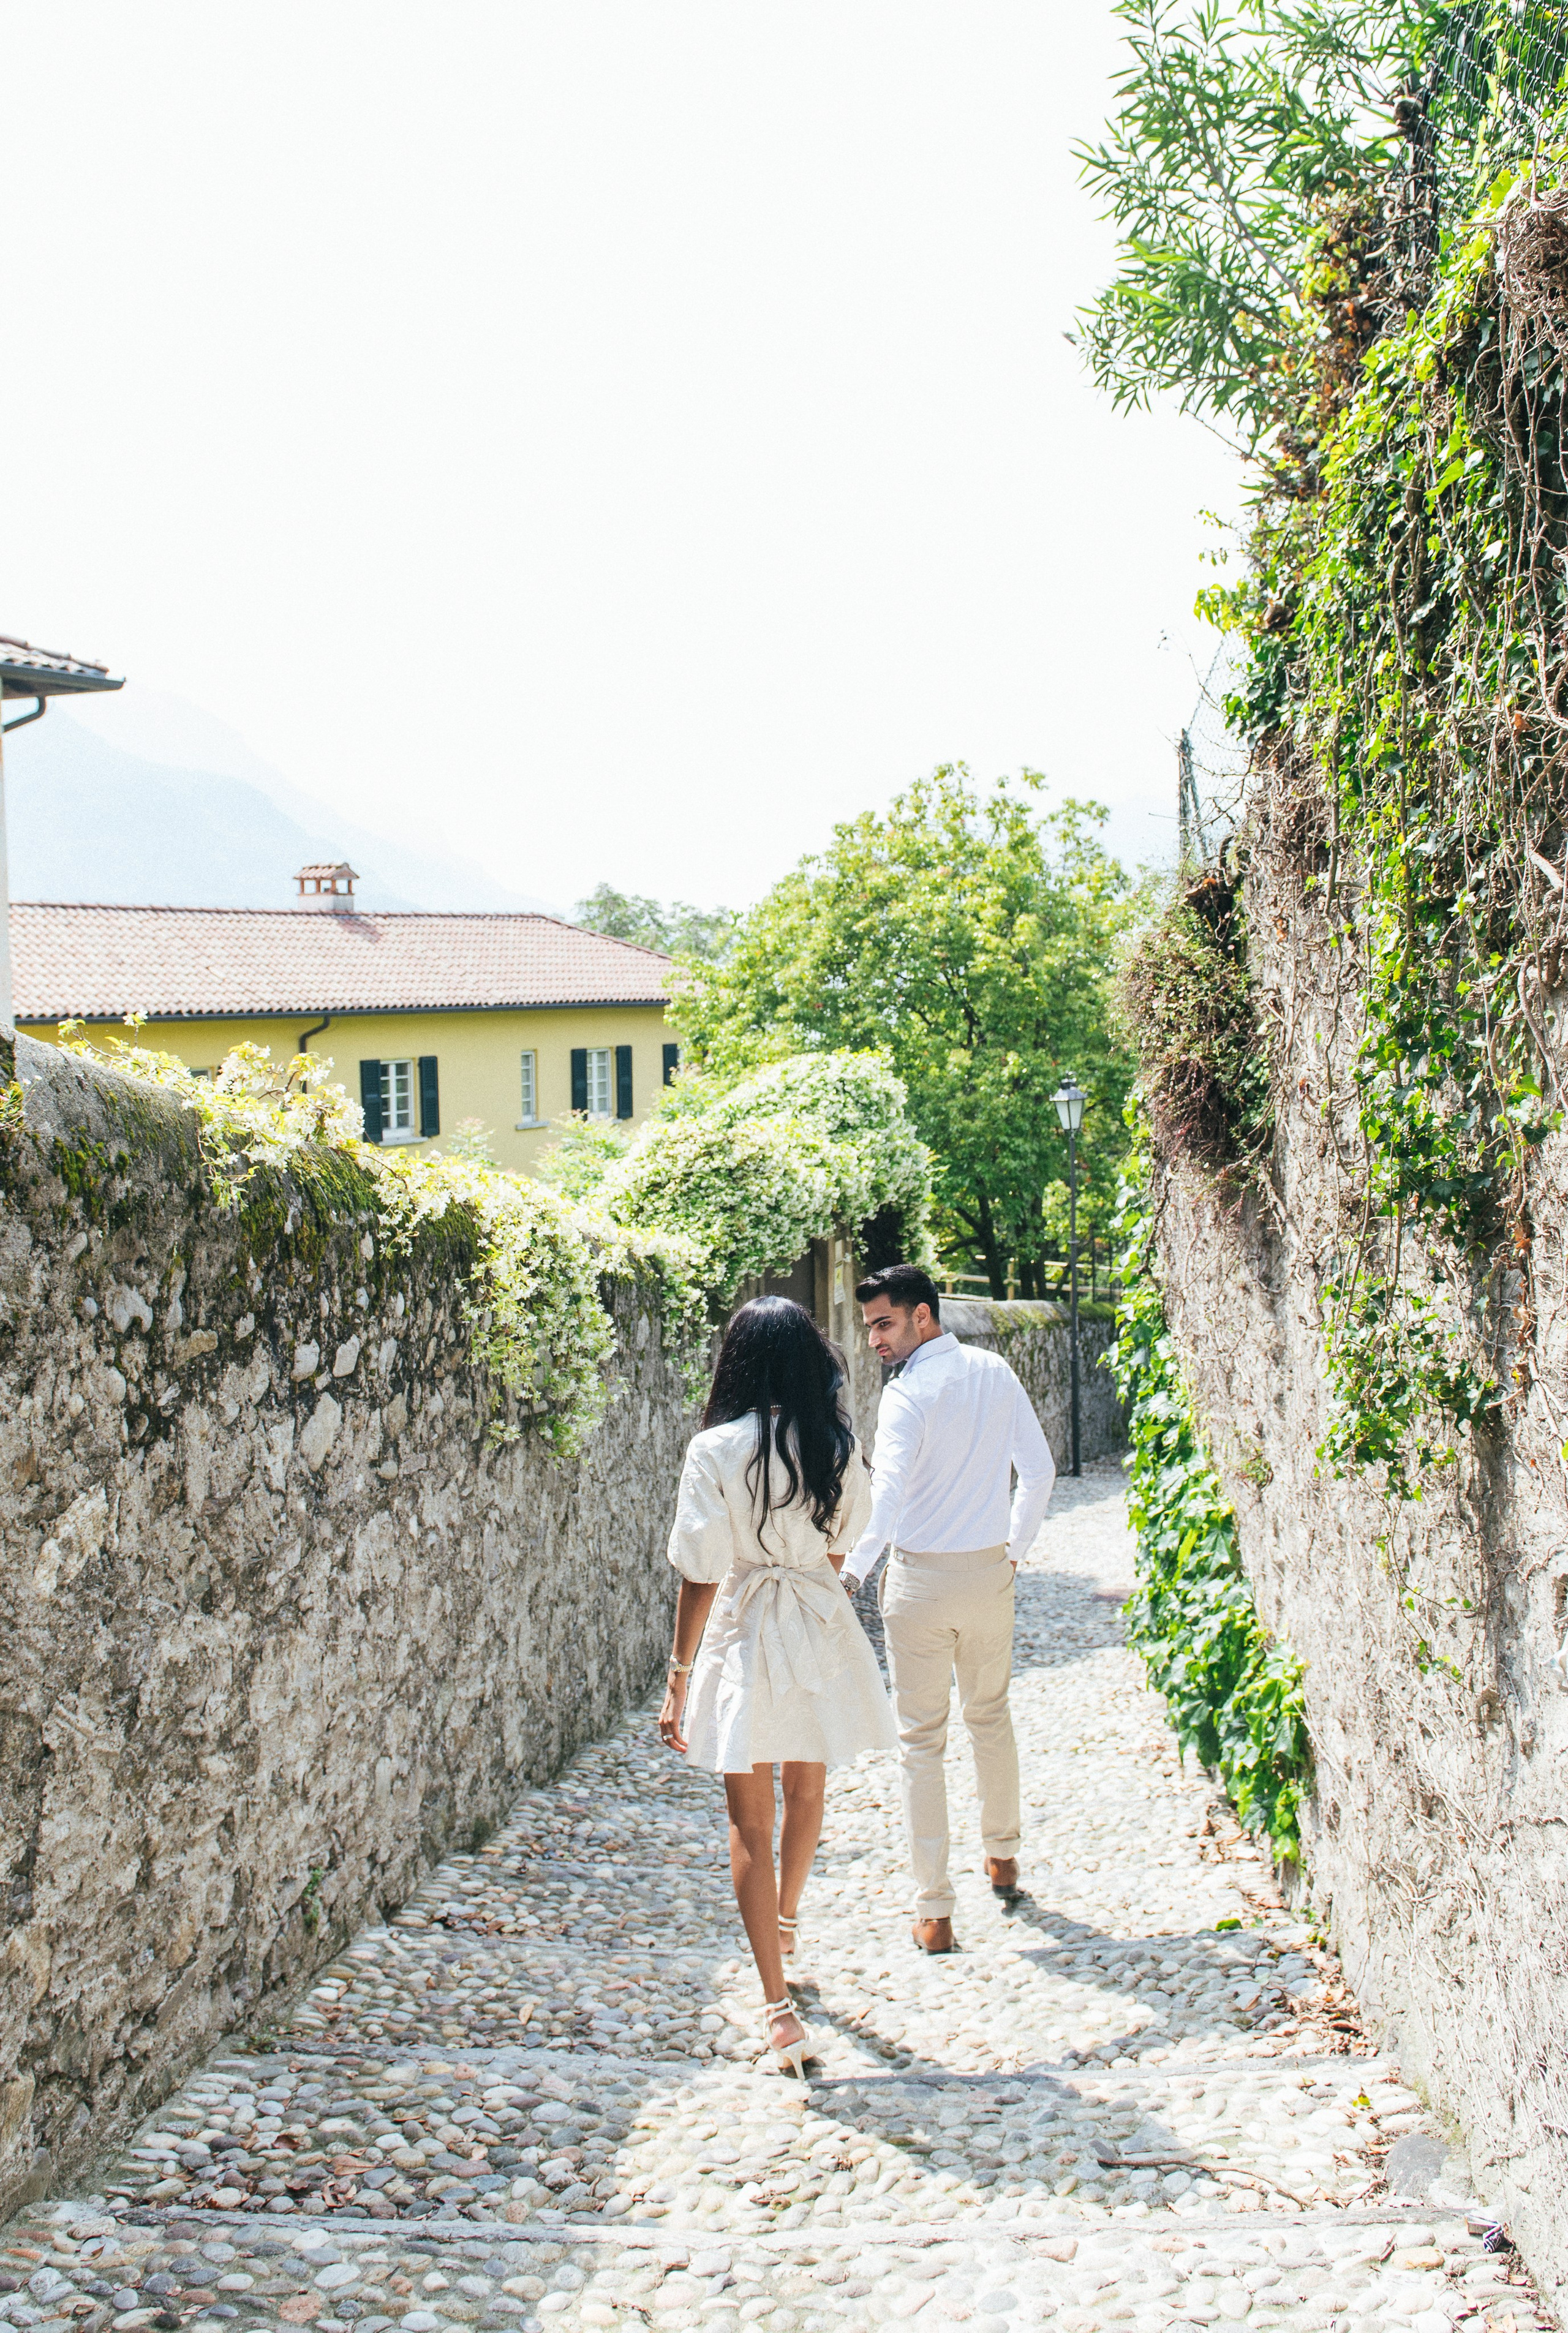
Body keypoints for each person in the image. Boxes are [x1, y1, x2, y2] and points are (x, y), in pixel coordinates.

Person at [658, 1294, 897, 2075]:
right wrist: (806, 1580)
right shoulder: (834, 1440)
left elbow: (700, 1571)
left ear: (737, 1361)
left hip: (744, 1624)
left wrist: (679, 1676)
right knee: (810, 1782)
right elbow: (846, 1539)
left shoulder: (715, 1449)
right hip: (816, 1619)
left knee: (746, 1821)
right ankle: (788, 1922)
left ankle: (777, 2007)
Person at [840, 1262, 1055, 1955]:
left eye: (884, 1323)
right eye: (870, 1324)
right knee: (990, 1715)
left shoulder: (906, 1396)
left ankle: (934, 1912)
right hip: (989, 1571)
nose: (874, 1337)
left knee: (919, 1743)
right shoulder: (995, 1371)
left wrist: (851, 1570)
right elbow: (1040, 1469)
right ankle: (1004, 1854)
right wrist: (1013, 1549)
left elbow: (889, 1493)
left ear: (923, 1316)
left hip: (919, 1582)